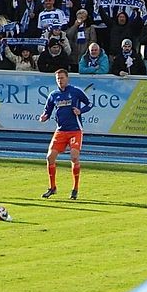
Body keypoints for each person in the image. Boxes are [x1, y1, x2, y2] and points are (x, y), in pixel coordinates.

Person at [39, 69, 93, 200]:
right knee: (50, 157)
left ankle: (75, 189)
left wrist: (80, 111)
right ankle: (52, 187)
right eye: (58, 78)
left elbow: (90, 103)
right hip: (61, 130)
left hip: (75, 130)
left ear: (67, 78)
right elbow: (48, 110)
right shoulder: (53, 95)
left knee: (74, 157)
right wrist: (44, 116)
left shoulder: (75, 91)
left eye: (62, 78)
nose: (60, 80)